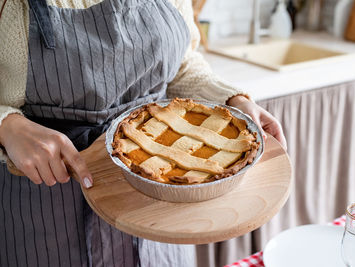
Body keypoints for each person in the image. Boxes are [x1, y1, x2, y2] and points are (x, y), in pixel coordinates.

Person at [0, 0, 286, 266]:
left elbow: (182, 66)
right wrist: (7, 125)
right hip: (46, 207)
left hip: (164, 214)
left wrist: (232, 102)